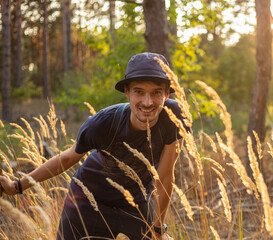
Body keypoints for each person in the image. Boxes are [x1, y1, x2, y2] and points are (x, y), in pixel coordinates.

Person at [0, 52, 189, 240]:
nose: (147, 102)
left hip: (135, 203)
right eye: (139, 91)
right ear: (127, 93)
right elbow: (67, 158)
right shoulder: (104, 123)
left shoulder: (174, 118)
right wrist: (16, 186)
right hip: (87, 201)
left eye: (156, 92)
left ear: (166, 95)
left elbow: (164, 177)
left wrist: (157, 229)